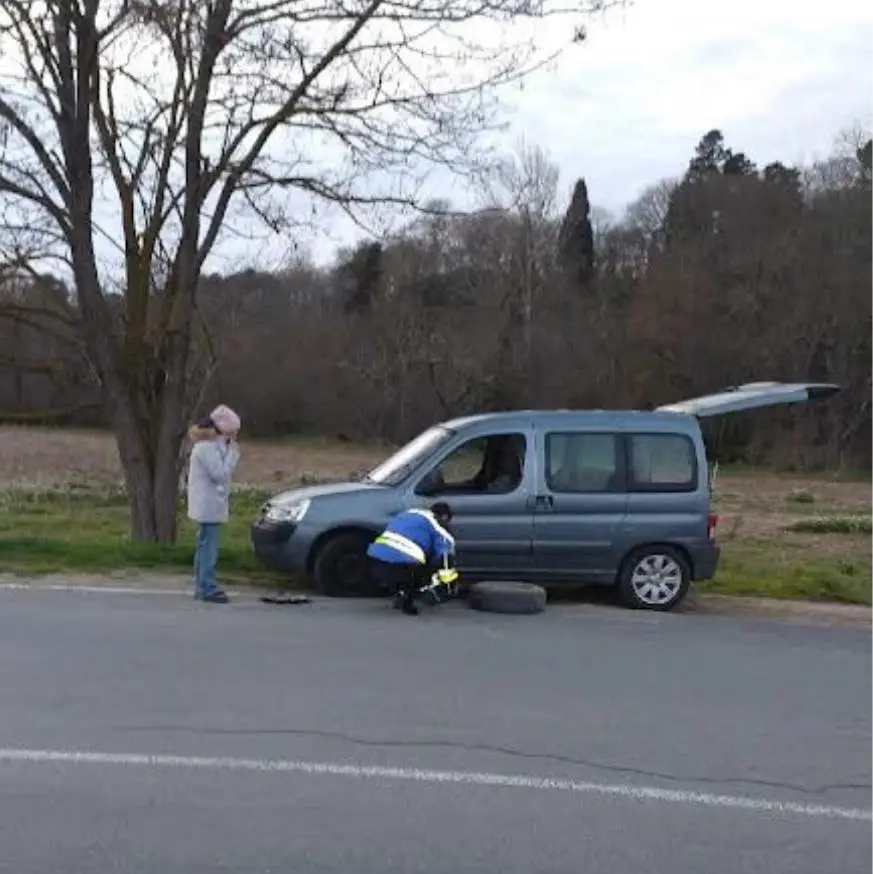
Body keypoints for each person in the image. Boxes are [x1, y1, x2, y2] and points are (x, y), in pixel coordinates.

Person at [186, 404, 241, 604]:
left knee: (204, 545)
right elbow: (220, 474)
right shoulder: (206, 448)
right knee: (208, 547)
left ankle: (202, 585)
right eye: (232, 432)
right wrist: (233, 455)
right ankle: (206, 586)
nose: (234, 437)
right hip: (207, 505)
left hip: (208, 504)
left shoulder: (207, 447)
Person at [367, 502, 455, 616]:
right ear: (444, 517)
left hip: (375, 558)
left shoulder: (410, 513)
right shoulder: (441, 531)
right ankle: (408, 603)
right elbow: (445, 559)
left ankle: (399, 594)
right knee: (421, 568)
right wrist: (448, 587)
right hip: (403, 565)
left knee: (402, 567)